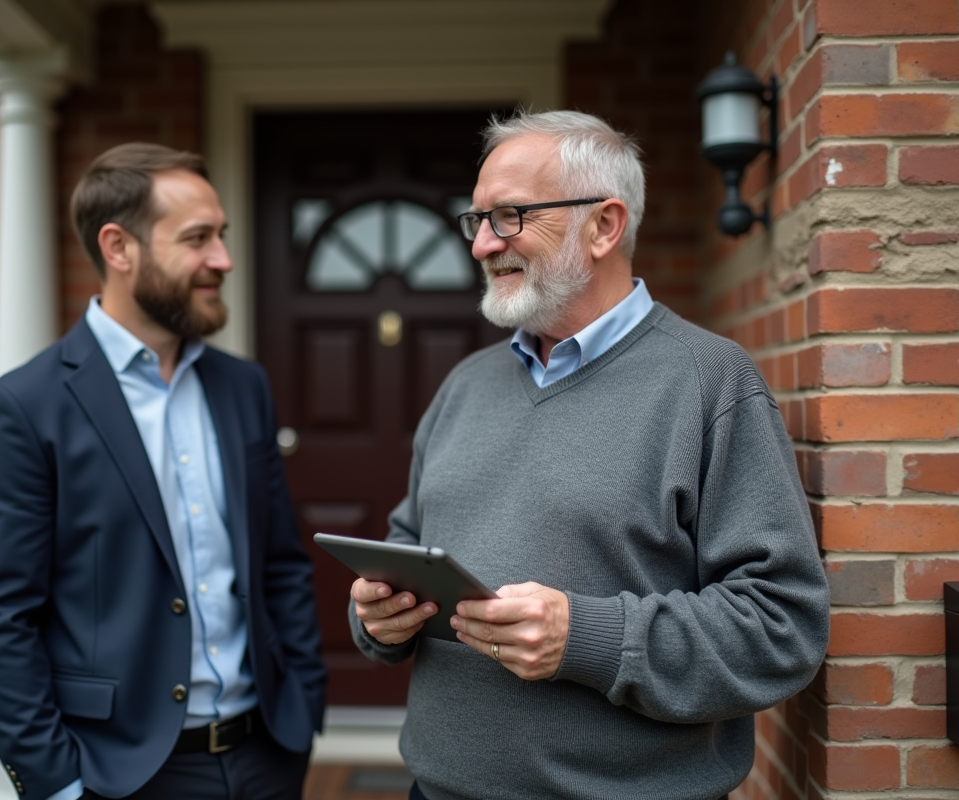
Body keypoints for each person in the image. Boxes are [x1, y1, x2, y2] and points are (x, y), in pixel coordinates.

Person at [349, 110, 829, 800]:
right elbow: (408, 542)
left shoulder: (709, 382)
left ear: (604, 225)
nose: (483, 244)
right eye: (477, 220)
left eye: (510, 216)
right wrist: (377, 618)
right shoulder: (466, 385)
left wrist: (588, 638)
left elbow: (781, 627)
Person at [0, 143, 325, 800]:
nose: (224, 259)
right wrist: (56, 783)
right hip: (121, 775)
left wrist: (303, 702)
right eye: (198, 238)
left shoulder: (243, 387)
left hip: (266, 756)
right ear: (119, 248)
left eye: (223, 235)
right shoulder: (25, 407)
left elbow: (280, 563)